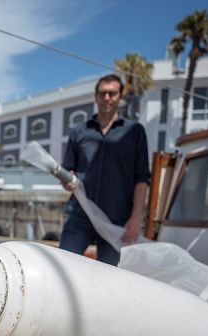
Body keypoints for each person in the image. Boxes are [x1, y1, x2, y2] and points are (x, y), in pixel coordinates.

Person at [59, 74, 151, 266]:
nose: (107, 98)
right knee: (63, 265)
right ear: (96, 97)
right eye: (103, 94)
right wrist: (66, 181)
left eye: (112, 93)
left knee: (108, 277)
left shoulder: (135, 132)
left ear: (120, 96)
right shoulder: (79, 131)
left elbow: (142, 179)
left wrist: (135, 219)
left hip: (116, 220)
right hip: (80, 215)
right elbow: (68, 170)